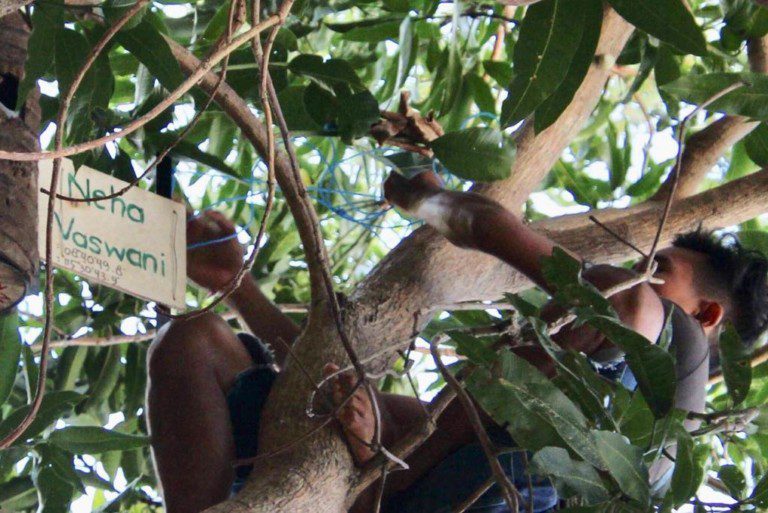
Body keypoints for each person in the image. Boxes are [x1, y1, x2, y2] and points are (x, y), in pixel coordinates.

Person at [146, 170, 768, 513]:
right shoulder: (528, 386)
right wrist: (240, 288)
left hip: (406, 494)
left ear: (706, 314)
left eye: (657, 265)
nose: (634, 265)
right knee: (194, 336)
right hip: (378, 491)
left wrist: (426, 196)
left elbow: (489, 225)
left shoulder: (640, 323)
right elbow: (334, 392)